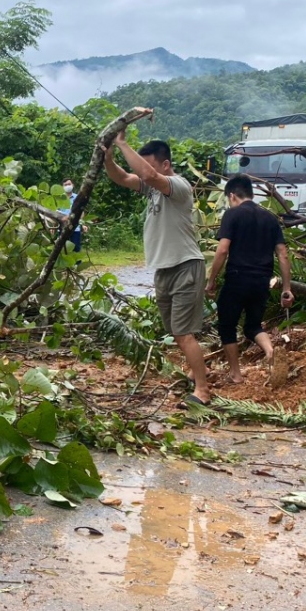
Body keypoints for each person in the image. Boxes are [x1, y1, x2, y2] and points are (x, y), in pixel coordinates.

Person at [104, 126, 211, 405]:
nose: (145, 173)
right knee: (176, 332)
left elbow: (148, 175)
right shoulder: (152, 190)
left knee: (183, 333)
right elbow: (124, 177)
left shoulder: (178, 185)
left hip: (186, 265)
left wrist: (122, 143)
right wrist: (107, 158)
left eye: (150, 166)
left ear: (165, 164)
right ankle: (197, 370)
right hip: (164, 268)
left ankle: (203, 389)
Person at [205, 174, 295, 384]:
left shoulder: (232, 214)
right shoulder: (270, 218)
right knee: (253, 326)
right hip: (262, 281)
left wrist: (211, 281)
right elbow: (282, 254)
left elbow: (222, 250)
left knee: (227, 327)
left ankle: (236, 375)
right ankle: (271, 351)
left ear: (233, 195)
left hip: (237, 279)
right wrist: (287, 288)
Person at [56, 178, 88, 252]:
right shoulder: (59, 198)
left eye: (69, 184)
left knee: (76, 248)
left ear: (73, 185)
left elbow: (81, 213)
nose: (67, 186)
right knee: (62, 248)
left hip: (75, 227)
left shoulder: (78, 197)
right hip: (62, 227)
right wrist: (53, 227)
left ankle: (77, 263)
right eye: (65, 185)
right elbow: (56, 212)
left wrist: (82, 224)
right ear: (62, 187)